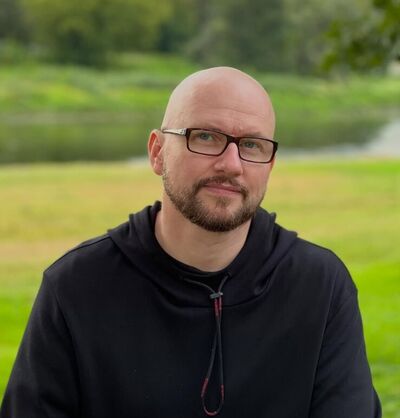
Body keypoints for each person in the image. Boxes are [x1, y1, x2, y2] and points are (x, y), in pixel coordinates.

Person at [0, 67, 381, 418]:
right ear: (157, 152)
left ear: (270, 164)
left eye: (252, 145)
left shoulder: (320, 286)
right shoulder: (76, 287)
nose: (231, 164)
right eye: (205, 137)